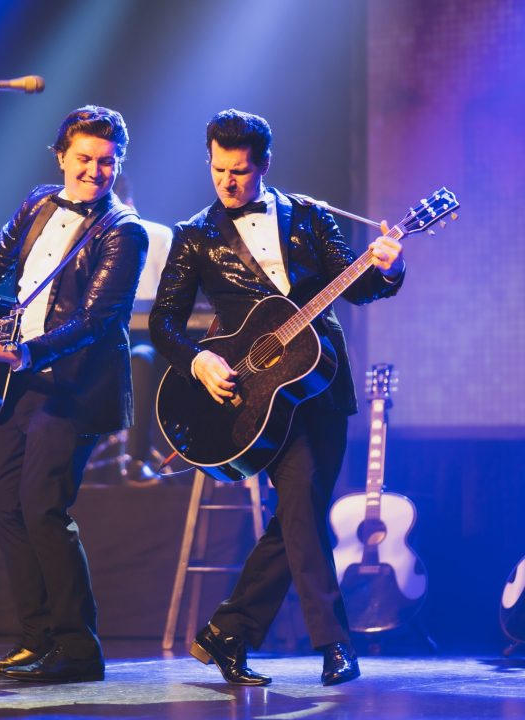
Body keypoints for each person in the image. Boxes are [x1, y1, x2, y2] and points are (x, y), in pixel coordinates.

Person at [149, 109, 405, 686]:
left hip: (323, 383)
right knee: (299, 507)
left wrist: (389, 267)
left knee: (300, 514)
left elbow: (357, 286)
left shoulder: (310, 218)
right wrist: (199, 359)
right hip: (256, 396)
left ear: (264, 163)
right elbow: (163, 324)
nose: (227, 183)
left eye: (239, 171)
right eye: (218, 170)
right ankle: (335, 645)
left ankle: (227, 631)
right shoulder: (195, 236)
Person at [0, 105, 148, 684]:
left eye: (106, 162)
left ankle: (78, 650)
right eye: (84, 159)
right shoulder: (38, 201)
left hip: (74, 388)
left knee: (42, 507)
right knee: (4, 507)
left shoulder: (125, 229)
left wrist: (27, 353)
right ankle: (36, 638)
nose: (94, 172)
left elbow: (96, 321)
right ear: (61, 155)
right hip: (20, 378)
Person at [113, 173, 172, 485]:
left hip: (142, 338)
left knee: (141, 358)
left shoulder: (158, 237)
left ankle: (137, 458)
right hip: (93, 340)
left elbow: (172, 299)